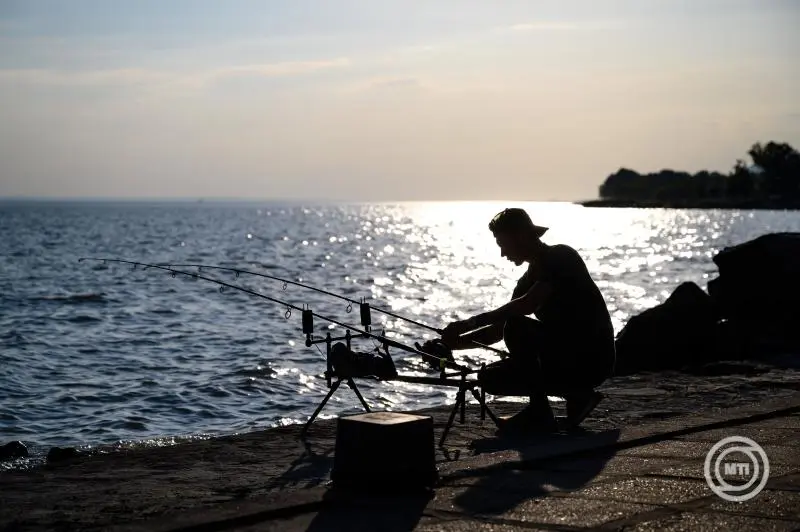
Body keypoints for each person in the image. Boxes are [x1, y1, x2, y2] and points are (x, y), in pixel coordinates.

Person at [422, 207, 616, 435]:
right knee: (489, 377)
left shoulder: (561, 257)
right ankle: (578, 395)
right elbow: (496, 331)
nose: (503, 254)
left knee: (517, 326)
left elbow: (526, 305)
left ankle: (540, 413)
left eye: (503, 245)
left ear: (521, 236)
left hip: (593, 358)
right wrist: (449, 344)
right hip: (565, 357)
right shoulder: (525, 281)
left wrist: (468, 323)